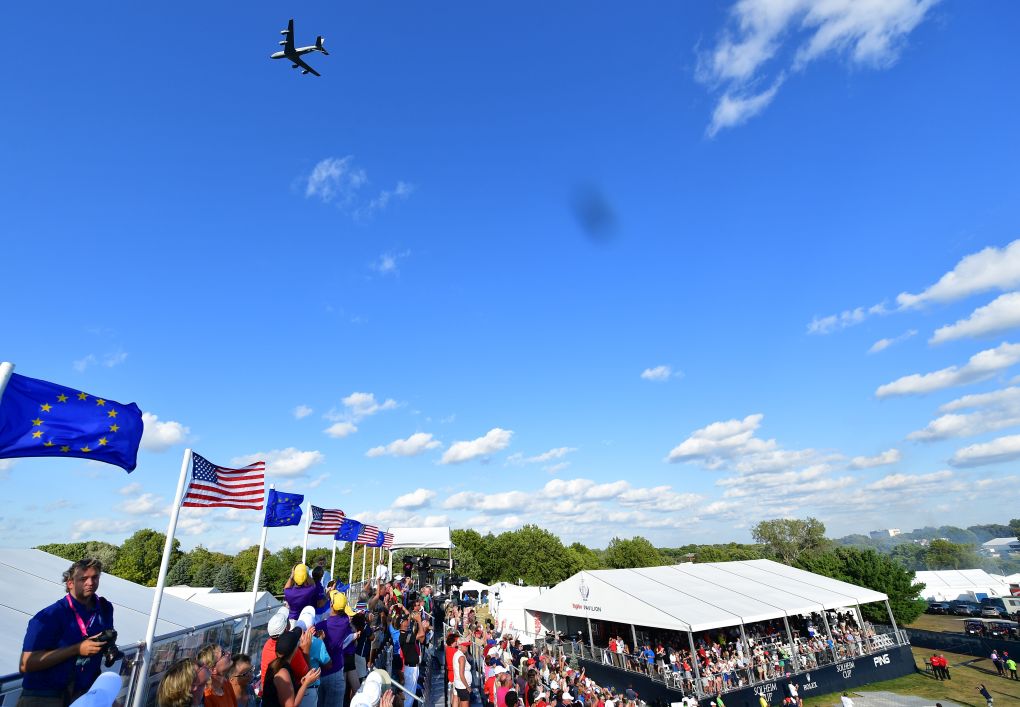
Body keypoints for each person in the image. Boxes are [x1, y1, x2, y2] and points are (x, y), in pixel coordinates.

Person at [19, 559, 116, 707]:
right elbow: (26, 664)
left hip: (83, 694)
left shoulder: (104, 608)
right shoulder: (49, 616)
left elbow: (106, 635)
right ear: (70, 583)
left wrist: (110, 646)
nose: (90, 582)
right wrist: (77, 649)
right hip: (45, 697)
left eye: (95, 577)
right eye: (83, 579)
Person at [264, 628, 321, 707]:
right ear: (295, 649)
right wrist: (306, 683)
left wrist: (302, 683)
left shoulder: (276, 664)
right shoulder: (283, 672)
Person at [315, 591, 354, 707]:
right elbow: (346, 614)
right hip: (336, 672)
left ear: (331, 604)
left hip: (319, 673)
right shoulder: (345, 621)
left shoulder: (320, 626)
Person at [262, 608, 311, 689]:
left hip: (266, 691)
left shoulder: (267, 644)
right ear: (286, 629)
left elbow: (295, 631)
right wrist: (306, 651)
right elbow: (306, 673)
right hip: (286, 693)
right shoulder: (291, 649)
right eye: (287, 619)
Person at [399, 609, 427, 707]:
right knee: (408, 696)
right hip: (409, 669)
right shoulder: (403, 636)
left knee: (411, 694)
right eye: (407, 620)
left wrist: (419, 624)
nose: (409, 620)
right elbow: (421, 635)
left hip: (413, 668)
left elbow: (422, 639)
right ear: (402, 623)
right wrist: (419, 621)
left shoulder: (407, 634)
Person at [453, 639, 472, 707]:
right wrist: (467, 687)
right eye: (465, 646)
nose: (467, 647)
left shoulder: (457, 654)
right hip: (463, 686)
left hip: (459, 684)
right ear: (460, 646)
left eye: (467, 646)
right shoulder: (461, 657)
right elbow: (461, 674)